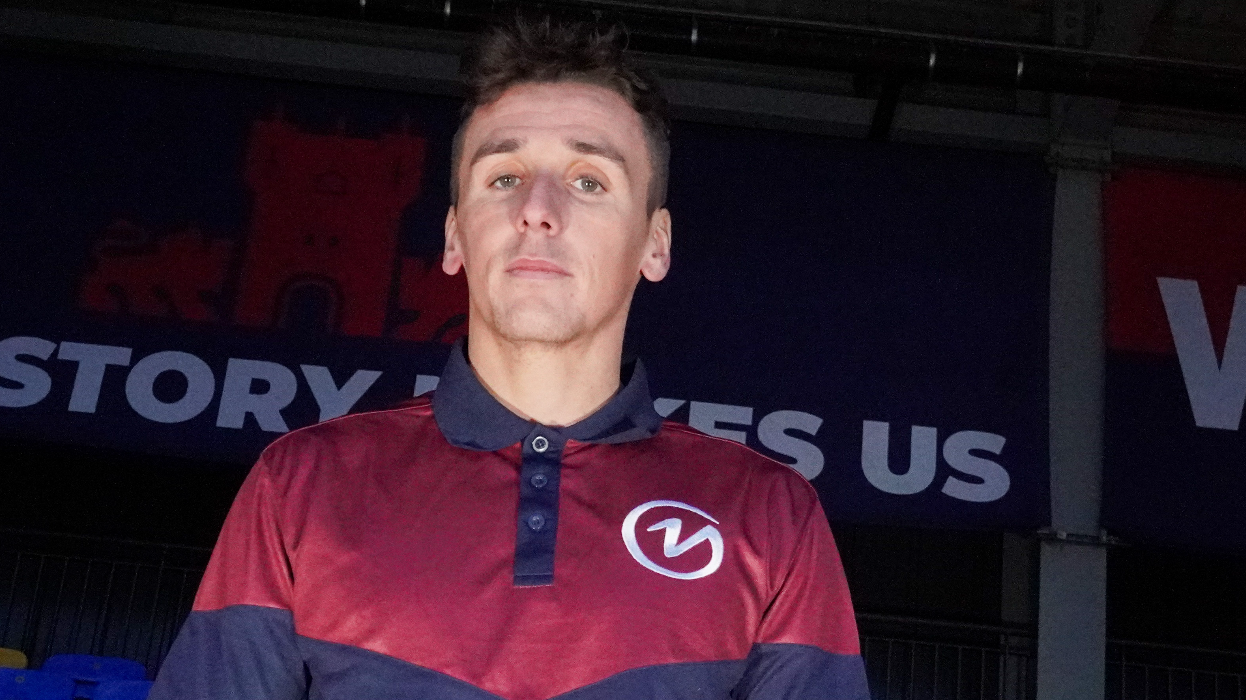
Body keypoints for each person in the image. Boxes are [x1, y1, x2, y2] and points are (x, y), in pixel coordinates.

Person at [150, 17, 868, 700]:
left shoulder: (769, 514)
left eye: (589, 180)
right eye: (504, 177)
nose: (538, 209)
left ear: (655, 244)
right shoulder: (302, 484)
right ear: (454, 236)